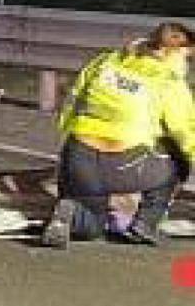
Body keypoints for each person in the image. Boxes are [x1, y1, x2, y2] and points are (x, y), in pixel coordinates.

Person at [42, 22, 195, 247]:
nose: (187, 63)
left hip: (80, 157)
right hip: (126, 165)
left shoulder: (105, 62)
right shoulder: (168, 81)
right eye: (186, 56)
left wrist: (70, 149)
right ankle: (146, 223)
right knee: (177, 158)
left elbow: (72, 103)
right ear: (170, 51)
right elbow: (185, 131)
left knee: (91, 227)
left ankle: (72, 211)